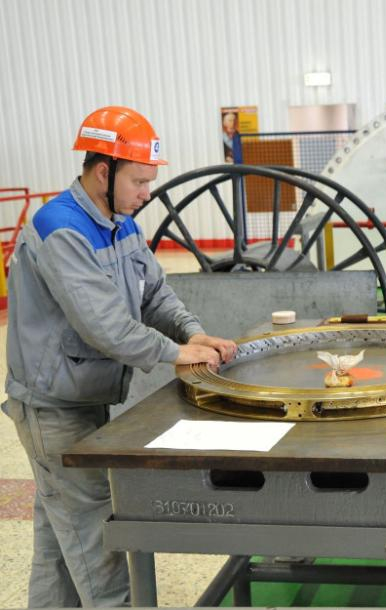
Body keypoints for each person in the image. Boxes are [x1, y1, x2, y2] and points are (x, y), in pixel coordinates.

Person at [2, 106, 238, 607]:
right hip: (51, 408)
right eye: (139, 181)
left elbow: (154, 294)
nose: (147, 192)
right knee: (96, 543)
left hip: (80, 398)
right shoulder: (62, 229)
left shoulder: (120, 223)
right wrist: (178, 353)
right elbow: (106, 328)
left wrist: (195, 333)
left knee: (58, 544)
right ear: (103, 172)